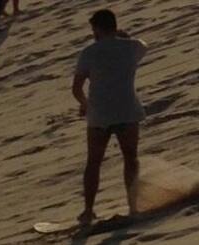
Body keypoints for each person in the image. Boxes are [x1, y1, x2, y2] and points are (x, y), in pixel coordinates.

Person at [71, 9, 148, 227]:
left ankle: (88, 211)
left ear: (96, 29)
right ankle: (133, 206)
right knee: (130, 157)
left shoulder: (89, 53)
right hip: (127, 110)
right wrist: (123, 36)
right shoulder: (133, 47)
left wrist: (85, 105)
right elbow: (143, 44)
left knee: (93, 163)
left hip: (99, 114)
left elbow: (76, 88)